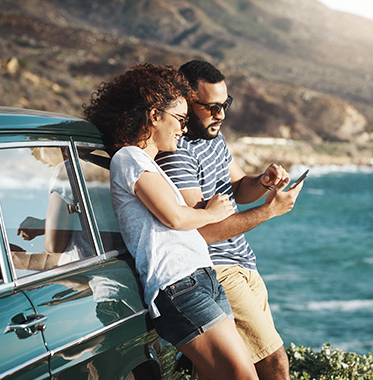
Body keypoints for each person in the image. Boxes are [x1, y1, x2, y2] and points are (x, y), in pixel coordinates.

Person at [83, 63, 259, 380]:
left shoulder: (147, 163)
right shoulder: (128, 157)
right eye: (179, 119)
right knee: (242, 376)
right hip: (178, 286)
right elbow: (175, 218)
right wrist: (212, 213)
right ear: (154, 116)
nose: (183, 127)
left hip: (201, 278)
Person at [156, 60, 304, 380]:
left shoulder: (214, 140)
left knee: (227, 371)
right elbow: (202, 232)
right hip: (217, 268)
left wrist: (263, 182)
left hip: (244, 263)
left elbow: (238, 188)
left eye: (225, 104)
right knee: (274, 364)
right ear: (184, 100)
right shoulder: (176, 153)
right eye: (211, 107)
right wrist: (269, 211)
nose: (221, 114)